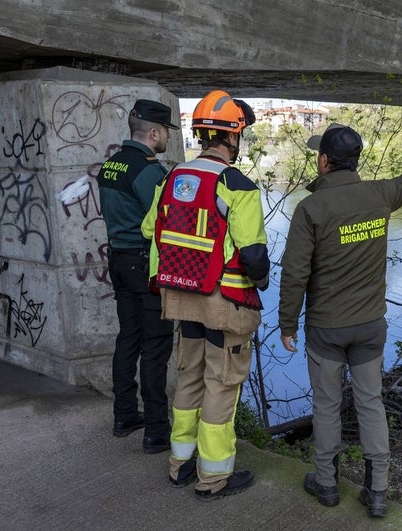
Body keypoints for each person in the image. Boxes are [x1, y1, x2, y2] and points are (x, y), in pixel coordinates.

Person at [278, 123, 402, 518]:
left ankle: (326, 485)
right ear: (355, 160)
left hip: (326, 330)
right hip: (369, 328)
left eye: (319, 154)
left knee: (327, 406)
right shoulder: (379, 195)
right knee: (370, 403)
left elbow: (295, 273)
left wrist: (287, 324)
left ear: (325, 160)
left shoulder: (310, 208)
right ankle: (377, 490)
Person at [141, 90, 270, 500]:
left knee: (190, 375)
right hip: (224, 304)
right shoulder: (237, 185)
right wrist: (261, 278)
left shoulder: (172, 177)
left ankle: (180, 465)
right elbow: (253, 256)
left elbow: (150, 230)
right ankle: (213, 477)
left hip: (180, 296)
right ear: (232, 137)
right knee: (221, 382)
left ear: (200, 134)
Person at [97, 98, 178, 454]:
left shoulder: (110, 165)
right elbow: (165, 222)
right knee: (155, 346)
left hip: (118, 259)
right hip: (145, 265)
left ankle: (124, 415)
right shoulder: (149, 171)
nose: (168, 141)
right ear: (155, 132)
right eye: (167, 135)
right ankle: (157, 432)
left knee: (128, 338)